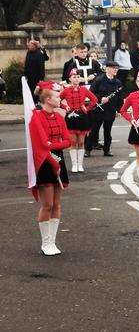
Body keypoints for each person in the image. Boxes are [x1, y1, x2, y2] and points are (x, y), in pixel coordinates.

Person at [30, 81, 71, 256]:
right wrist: (51, 151)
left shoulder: (60, 117)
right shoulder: (36, 117)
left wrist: (52, 145)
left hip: (58, 158)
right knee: (47, 204)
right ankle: (45, 242)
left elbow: (68, 141)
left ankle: (53, 241)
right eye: (56, 96)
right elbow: (39, 144)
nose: (59, 98)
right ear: (47, 99)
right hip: (44, 162)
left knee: (57, 204)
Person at [60, 69, 98, 172]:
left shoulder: (84, 90)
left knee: (81, 142)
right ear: (70, 79)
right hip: (71, 117)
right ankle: (74, 164)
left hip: (82, 117)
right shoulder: (66, 90)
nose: (76, 79)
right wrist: (65, 107)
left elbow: (94, 100)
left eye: (77, 77)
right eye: (74, 77)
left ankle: (80, 165)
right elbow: (58, 100)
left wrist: (87, 108)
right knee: (73, 141)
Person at [85, 61, 123, 157]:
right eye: (113, 68)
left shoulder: (117, 82)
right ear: (107, 69)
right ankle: (88, 149)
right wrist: (100, 98)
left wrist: (119, 110)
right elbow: (91, 93)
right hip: (99, 109)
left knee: (108, 131)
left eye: (116, 68)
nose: (116, 70)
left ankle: (107, 150)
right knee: (94, 130)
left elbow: (119, 98)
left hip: (110, 109)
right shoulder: (99, 80)